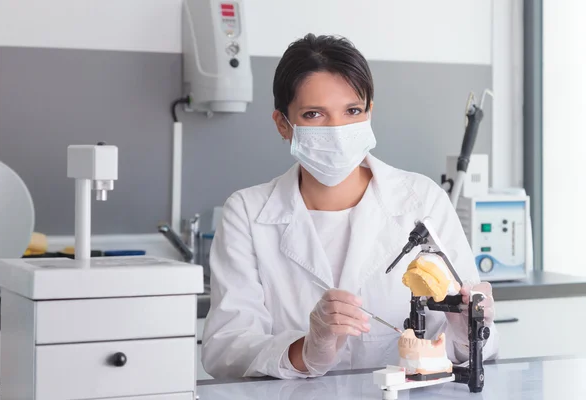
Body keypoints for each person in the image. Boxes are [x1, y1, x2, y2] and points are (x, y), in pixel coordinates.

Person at [201, 33, 498, 379]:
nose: (337, 130)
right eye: (314, 114)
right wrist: (306, 350)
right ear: (283, 124)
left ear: (370, 113)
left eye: (352, 111)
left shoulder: (422, 200)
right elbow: (225, 348)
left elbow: (474, 347)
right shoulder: (247, 214)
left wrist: (467, 331)